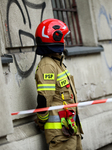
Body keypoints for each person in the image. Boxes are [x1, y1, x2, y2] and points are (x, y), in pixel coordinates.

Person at [34, 18, 83, 150]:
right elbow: (44, 99)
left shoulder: (57, 63)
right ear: (55, 39)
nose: (65, 42)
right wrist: (41, 121)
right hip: (61, 135)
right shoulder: (47, 65)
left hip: (70, 130)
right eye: (63, 38)